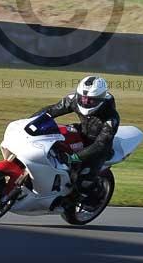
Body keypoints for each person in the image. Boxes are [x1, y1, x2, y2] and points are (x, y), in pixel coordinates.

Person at [32, 75, 120, 207]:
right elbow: (50, 111)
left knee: (83, 181)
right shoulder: (74, 99)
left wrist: (74, 157)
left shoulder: (111, 117)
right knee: (57, 136)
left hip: (98, 148)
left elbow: (100, 145)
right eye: (83, 98)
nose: (85, 102)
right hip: (82, 132)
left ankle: (92, 198)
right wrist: (30, 122)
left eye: (90, 100)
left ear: (100, 99)